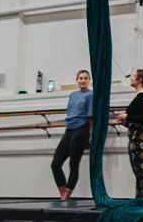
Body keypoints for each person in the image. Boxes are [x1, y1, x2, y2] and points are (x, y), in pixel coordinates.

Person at [51, 69, 93, 200]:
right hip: (69, 129)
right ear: (77, 80)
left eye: (85, 78)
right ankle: (63, 194)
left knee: (73, 164)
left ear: (89, 80)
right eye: (81, 78)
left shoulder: (90, 95)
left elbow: (90, 117)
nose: (83, 81)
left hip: (81, 129)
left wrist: (88, 136)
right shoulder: (73, 95)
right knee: (55, 164)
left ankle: (66, 196)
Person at [115, 69, 143, 198]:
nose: (131, 78)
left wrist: (127, 117)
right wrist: (126, 122)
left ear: (140, 80)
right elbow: (139, 117)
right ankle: (140, 199)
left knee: (141, 171)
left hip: (141, 136)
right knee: (138, 171)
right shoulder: (141, 95)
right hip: (136, 134)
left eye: (134, 76)